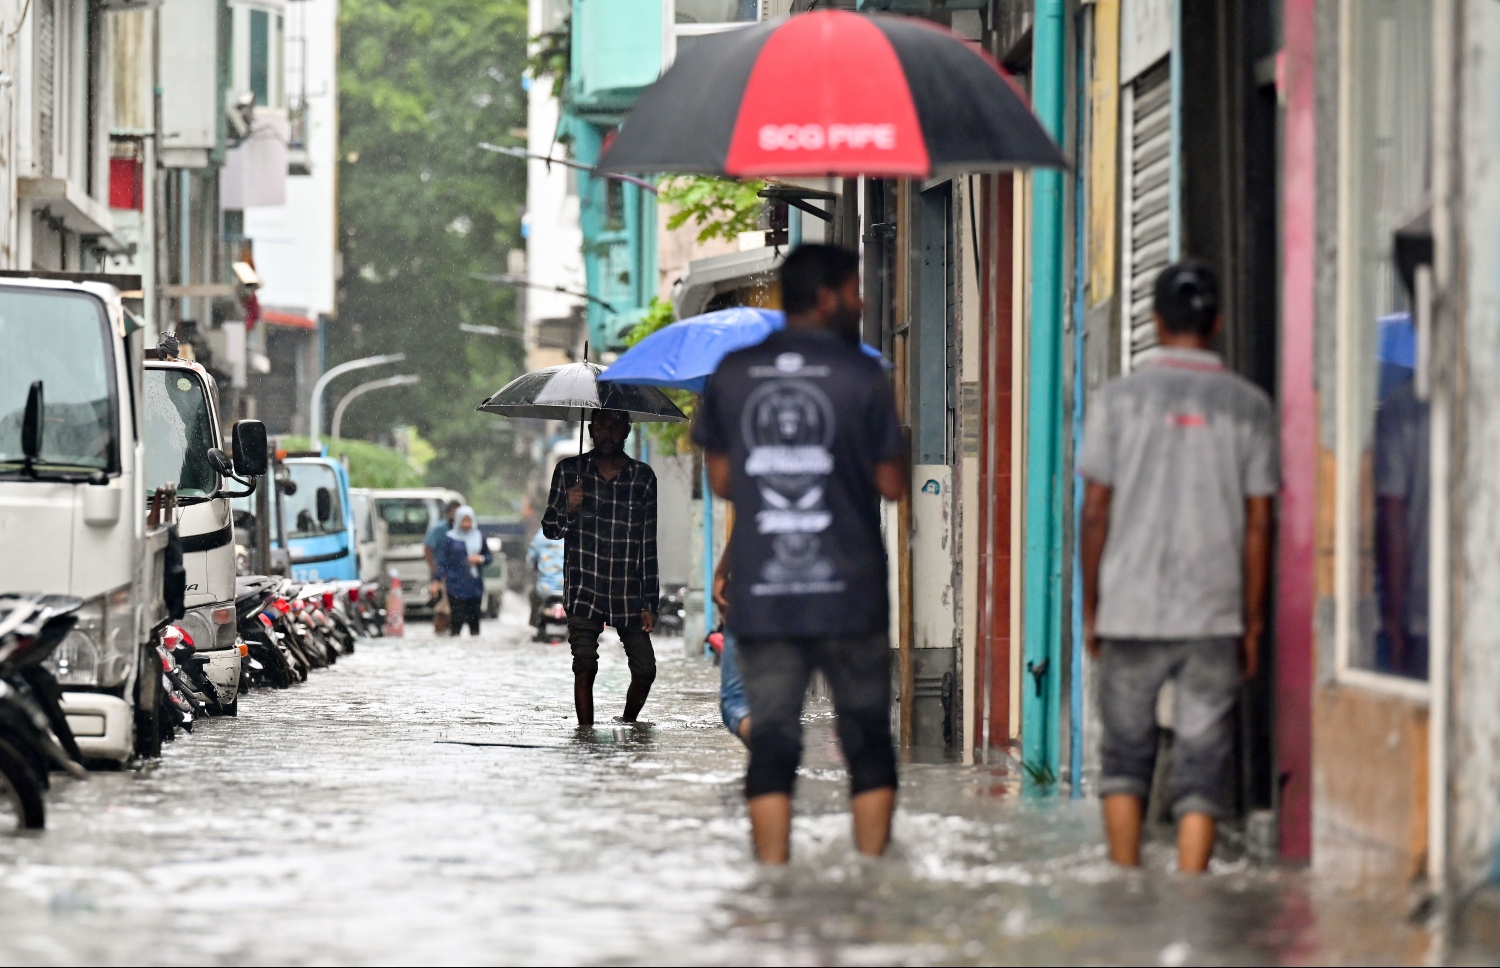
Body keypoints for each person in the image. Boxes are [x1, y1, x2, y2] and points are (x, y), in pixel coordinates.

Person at [693, 244, 907, 865]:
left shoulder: (732, 373)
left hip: (767, 593)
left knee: (774, 742)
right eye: (853, 290)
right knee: (867, 737)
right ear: (826, 297)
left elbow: (725, 480)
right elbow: (893, 484)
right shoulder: (863, 375)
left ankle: (773, 885)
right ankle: (871, 878)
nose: (862, 303)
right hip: (851, 592)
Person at [1078, 261, 1276, 874]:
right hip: (1212, 610)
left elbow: (1096, 512)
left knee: (1124, 761)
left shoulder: (1119, 401)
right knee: (1201, 762)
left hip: (1130, 608)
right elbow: (1261, 522)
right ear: (1216, 322)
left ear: (1156, 322)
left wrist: (1093, 607)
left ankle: (1126, 891)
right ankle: (1193, 893)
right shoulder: (1249, 406)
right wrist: (1253, 621)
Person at [540, 409, 659, 727]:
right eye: (601, 426)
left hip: (627, 587)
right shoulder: (569, 471)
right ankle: (586, 735)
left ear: (627, 431)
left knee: (646, 668)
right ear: (591, 430)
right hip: (583, 585)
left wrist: (650, 602)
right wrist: (569, 506)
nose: (607, 433)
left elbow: (648, 543)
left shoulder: (642, 478)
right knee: (584, 664)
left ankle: (627, 723)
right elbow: (551, 530)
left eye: (615, 426)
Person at [436, 505, 492, 636]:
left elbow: (489, 557)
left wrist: (480, 559)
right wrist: (437, 580)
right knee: (457, 620)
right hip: (455, 585)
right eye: (463, 520)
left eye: (469, 520)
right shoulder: (450, 538)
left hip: (474, 585)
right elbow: (443, 562)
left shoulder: (479, 536)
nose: (466, 524)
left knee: (474, 621)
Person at [712, 553, 750, 743]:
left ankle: (769, 750)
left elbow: (747, 526)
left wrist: (720, 574)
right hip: (832, 606)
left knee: (736, 701)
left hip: (755, 601)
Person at [425, 499, 461, 634]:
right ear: (447, 513)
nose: (456, 516)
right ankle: (439, 635)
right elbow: (427, 549)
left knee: (455, 610)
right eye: (453, 513)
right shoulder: (440, 529)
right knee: (442, 610)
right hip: (442, 575)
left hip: (458, 576)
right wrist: (436, 571)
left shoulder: (462, 530)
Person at [527, 528, 566, 632]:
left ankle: (535, 623)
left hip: (545, 589)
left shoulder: (540, 536)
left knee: (533, 595)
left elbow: (531, 560)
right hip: (569, 588)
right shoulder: (575, 532)